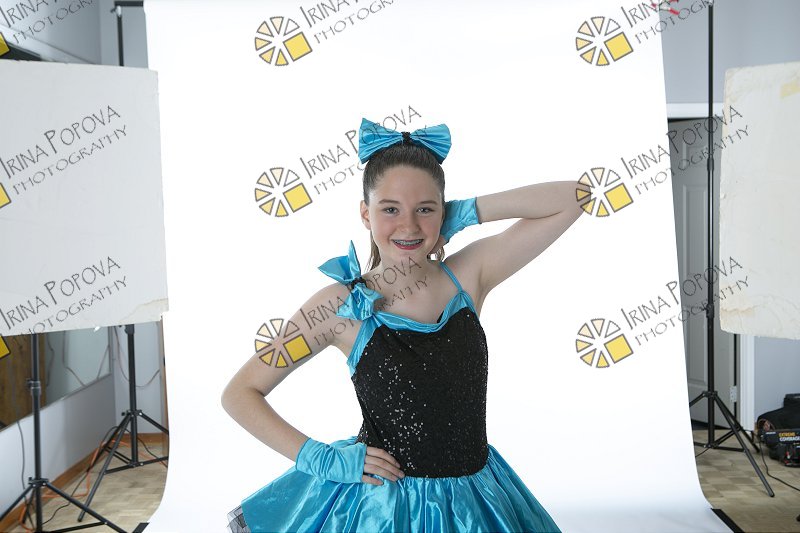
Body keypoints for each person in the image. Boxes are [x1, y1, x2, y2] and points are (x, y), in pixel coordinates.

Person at [222, 118, 589, 532]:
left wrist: (471, 211)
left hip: (474, 500)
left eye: (425, 209)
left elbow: (576, 197)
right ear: (366, 214)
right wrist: (320, 458)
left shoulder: (469, 276)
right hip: (382, 505)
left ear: (444, 212)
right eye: (390, 209)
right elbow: (240, 393)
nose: (409, 226)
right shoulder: (338, 306)